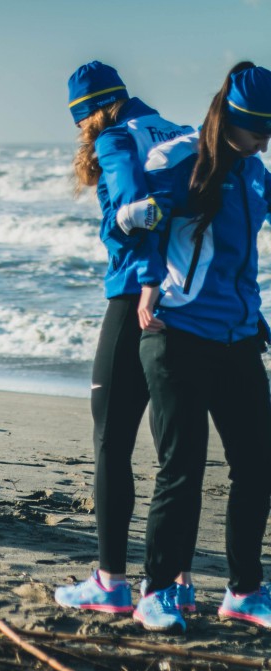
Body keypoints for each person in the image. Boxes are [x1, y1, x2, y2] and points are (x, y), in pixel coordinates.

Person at [123, 62, 271, 633]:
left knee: (257, 464)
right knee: (182, 467)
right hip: (178, 336)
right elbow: (135, 222)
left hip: (238, 338)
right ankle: (156, 590)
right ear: (234, 119)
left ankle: (245, 590)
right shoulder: (179, 160)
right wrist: (148, 279)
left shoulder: (255, 172)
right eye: (261, 128)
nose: (267, 140)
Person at [54, 62, 196, 615]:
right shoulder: (179, 130)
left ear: (88, 113)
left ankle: (110, 581)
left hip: (135, 299)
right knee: (174, 447)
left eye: (78, 121)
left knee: (112, 437)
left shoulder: (114, 138)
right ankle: (174, 583)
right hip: (188, 303)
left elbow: (136, 215)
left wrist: (144, 279)